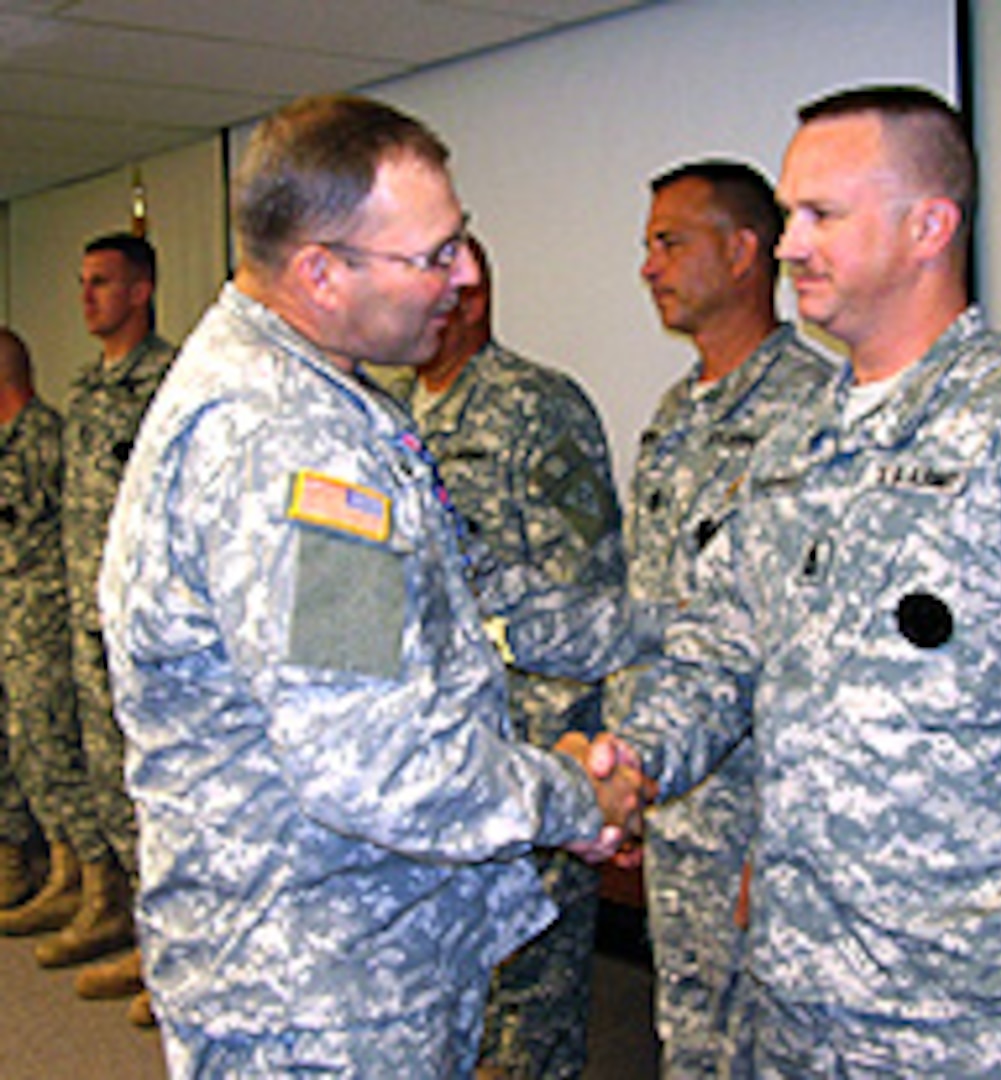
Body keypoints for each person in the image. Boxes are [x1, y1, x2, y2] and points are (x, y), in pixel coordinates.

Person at [595, 85, 1001, 1078]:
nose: (788, 246)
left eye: (820, 216)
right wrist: (636, 761)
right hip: (792, 1005)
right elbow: (719, 648)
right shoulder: (794, 448)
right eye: (788, 215)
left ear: (930, 226)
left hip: (964, 1032)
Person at [98, 92, 640, 1076]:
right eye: (434, 255)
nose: (466, 276)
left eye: (460, 243)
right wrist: (573, 795)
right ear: (319, 271)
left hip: (348, 958)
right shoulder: (292, 449)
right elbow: (371, 758)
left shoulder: (326, 397)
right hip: (319, 994)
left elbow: (463, 579)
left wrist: (651, 632)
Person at [614, 158, 831, 1075]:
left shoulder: (816, 413)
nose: (648, 266)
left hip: (754, 821)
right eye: (646, 245)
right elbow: (649, 610)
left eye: (670, 242)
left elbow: (818, 653)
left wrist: (780, 839)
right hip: (673, 803)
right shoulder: (674, 414)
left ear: (745, 253)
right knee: (690, 1036)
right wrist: (630, 765)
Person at [404, 235, 624, 1079]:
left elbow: (582, 594)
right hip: (430, 746)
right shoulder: (386, 412)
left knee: (529, 992)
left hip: (522, 744)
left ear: (471, 296)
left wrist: (549, 754)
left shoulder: (537, 406)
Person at [36, 232, 177, 1025]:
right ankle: (135, 926)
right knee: (112, 785)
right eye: (81, 282)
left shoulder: (170, 382)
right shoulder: (87, 391)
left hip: (147, 636)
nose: (86, 297)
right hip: (88, 621)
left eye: (102, 283)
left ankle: (179, 958)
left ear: (141, 290)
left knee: (161, 798)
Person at [0, 328, 93, 921]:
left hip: (44, 616)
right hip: (12, 614)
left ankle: (88, 878)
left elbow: (70, 534)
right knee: (24, 744)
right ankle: (44, 860)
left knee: (55, 741)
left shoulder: (44, 438)